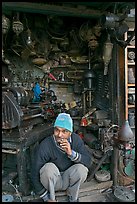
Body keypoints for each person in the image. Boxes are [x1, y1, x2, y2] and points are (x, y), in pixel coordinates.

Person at [31, 113, 92, 202]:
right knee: (48, 168)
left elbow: (88, 161)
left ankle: (72, 197)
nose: (59, 135)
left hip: (69, 180)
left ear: (70, 133)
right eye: (57, 130)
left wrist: (71, 153)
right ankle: (52, 199)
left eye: (64, 131)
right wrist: (45, 197)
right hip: (53, 182)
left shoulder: (76, 140)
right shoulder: (46, 144)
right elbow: (34, 172)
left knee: (81, 169)